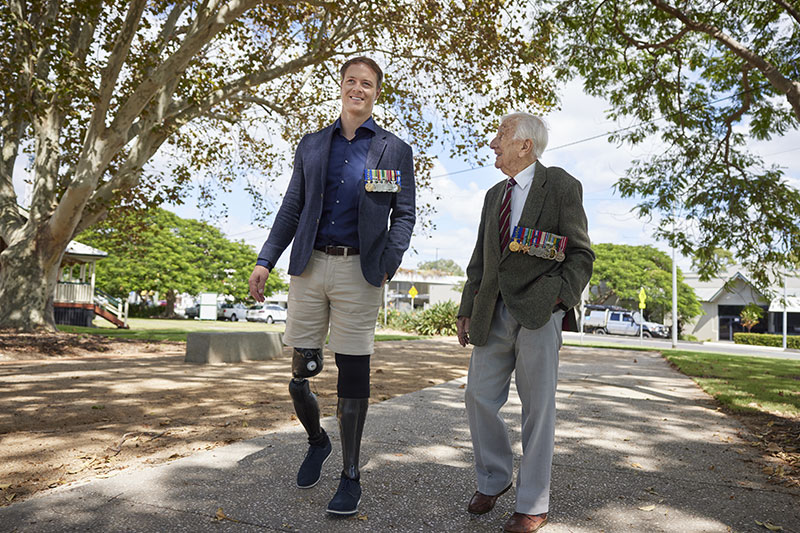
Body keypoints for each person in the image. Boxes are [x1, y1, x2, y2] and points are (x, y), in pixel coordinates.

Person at [248, 57, 415, 516]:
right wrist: (266, 260)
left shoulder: (394, 150)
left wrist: (389, 261)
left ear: (376, 93)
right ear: (341, 87)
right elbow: (291, 207)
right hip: (309, 266)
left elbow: (404, 214)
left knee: (353, 372)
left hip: (361, 271)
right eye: (351, 81)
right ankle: (317, 440)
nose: (357, 89)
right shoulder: (312, 145)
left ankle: (350, 475)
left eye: (367, 84)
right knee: (300, 376)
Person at [456, 112, 594, 533]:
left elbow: (581, 254)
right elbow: (481, 258)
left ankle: (533, 502)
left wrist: (558, 298)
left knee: (538, 411)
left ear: (525, 145)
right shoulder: (494, 194)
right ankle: (495, 478)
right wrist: (466, 307)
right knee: (478, 397)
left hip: (539, 312)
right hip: (491, 311)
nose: (493, 144)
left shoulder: (562, 186)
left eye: (500, 135)